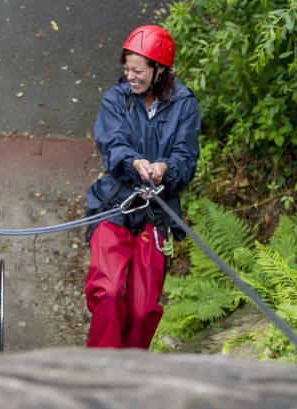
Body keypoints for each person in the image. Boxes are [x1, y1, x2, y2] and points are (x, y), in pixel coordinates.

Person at [84, 25, 200, 349]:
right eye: (126, 69)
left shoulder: (184, 105)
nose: (130, 76)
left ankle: (129, 375)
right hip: (116, 202)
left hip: (156, 212)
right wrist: (136, 163)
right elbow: (112, 143)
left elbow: (186, 156)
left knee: (143, 307)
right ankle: (98, 369)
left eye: (138, 70)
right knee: (107, 291)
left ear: (159, 69)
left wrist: (165, 168)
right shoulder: (115, 98)